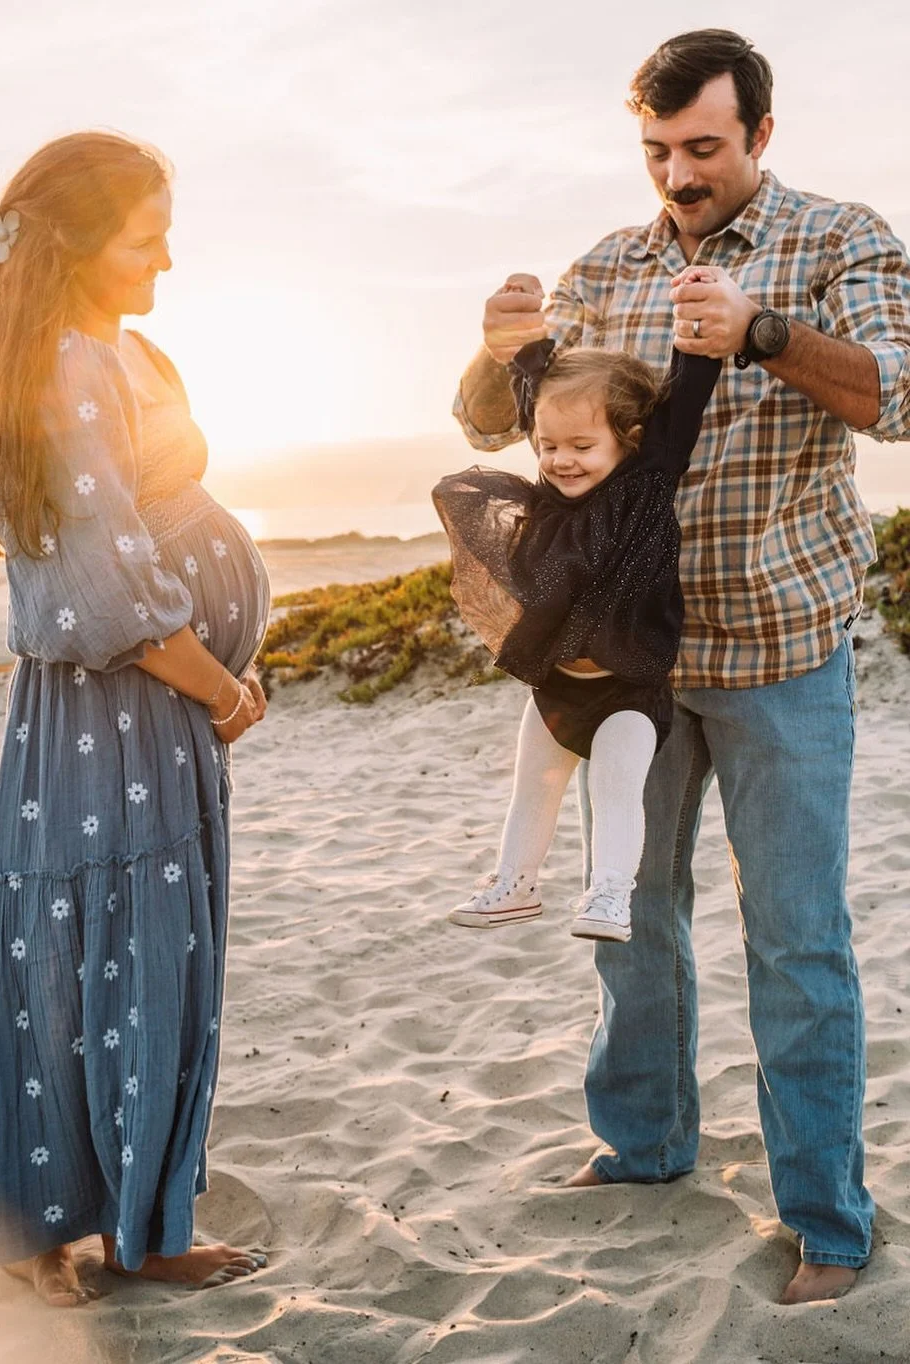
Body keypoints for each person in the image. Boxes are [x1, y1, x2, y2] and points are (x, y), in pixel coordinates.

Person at [453, 29, 910, 1304]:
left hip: (779, 651)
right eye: (656, 150)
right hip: (623, 667)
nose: (677, 174)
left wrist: (764, 329)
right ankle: (643, 1144)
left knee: (796, 936)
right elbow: (503, 419)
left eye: (702, 149)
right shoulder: (608, 263)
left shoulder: (840, 238)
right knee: (635, 914)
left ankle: (822, 1212)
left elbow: (902, 395)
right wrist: (496, 348)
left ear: (760, 135)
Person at [0, 132, 273, 1306]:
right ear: (73, 246)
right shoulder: (64, 366)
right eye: (144, 236)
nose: (166, 255)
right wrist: (219, 686)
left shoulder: (123, 347)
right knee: (102, 955)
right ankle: (120, 1230)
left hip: (148, 715)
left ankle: (107, 1212)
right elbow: (102, 587)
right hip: (119, 712)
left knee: (109, 951)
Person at [434, 331, 720, 940]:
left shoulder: (646, 485)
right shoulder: (549, 499)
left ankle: (611, 894)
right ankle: (514, 884)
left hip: (626, 692)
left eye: (583, 446)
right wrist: (532, 346)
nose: (562, 459)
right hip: (556, 689)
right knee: (531, 791)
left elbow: (686, 397)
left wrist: (697, 340)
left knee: (616, 790)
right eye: (548, 446)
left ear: (631, 439)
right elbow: (536, 390)